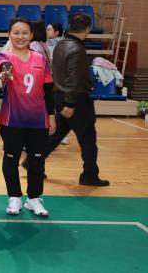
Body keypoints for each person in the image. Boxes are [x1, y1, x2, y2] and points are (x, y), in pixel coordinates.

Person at [27, 13, 110, 187]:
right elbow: (73, 78)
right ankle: (89, 175)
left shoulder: (61, 44)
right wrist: (70, 103)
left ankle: (32, 162)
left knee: (56, 135)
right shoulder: (76, 49)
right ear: (87, 29)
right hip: (75, 99)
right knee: (88, 140)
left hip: (59, 96)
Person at [0, 18, 56, 217]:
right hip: (12, 120)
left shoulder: (40, 59)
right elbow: (1, 67)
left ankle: (33, 198)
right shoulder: (3, 56)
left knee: (37, 161)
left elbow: (48, 90)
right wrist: (4, 73)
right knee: (10, 160)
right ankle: (14, 197)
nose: (20, 37)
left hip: (38, 121)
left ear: (31, 35)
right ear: (9, 35)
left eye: (24, 33)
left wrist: (51, 116)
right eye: (16, 33)